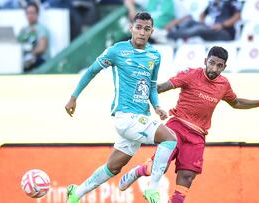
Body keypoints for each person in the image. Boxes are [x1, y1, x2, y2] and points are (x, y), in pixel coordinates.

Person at [118, 46, 259, 203]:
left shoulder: (224, 85)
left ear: (224, 67)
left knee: (187, 176)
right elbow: (162, 87)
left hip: (197, 135)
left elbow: (236, 102)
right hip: (176, 128)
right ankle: (136, 173)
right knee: (159, 167)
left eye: (219, 65)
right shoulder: (190, 75)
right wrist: (140, 89)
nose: (214, 68)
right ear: (205, 60)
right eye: (212, 63)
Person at [64, 12, 177, 203]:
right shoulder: (117, 51)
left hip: (141, 117)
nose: (142, 32)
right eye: (138, 27)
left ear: (152, 32)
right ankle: (152, 190)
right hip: (126, 117)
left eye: (146, 29)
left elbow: (151, 85)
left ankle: (76, 193)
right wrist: (73, 98)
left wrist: (157, 106)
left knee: (113, 167)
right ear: (131, 28)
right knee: (170, 138)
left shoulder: (154, 56)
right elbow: (92, 71)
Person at [167, 0, 241, 41]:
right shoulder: (212, 3)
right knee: (190, 21)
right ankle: (173, 32)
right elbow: (202, 15)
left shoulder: (231, 1)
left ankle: (169, 36)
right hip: (211, 30)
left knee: (199, 29)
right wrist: (202, 22)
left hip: (225, 33)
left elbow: (237, 16)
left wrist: (221, 25)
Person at [17, 2, 50, 72]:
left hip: (39, 59)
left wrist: (30, 55)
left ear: (37, 14)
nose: (30, 15)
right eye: (28, 13)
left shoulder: (41, 28)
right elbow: (17, 43)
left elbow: (42, 48)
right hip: (24, 59)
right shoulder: (23, 29)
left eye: (32, 13)